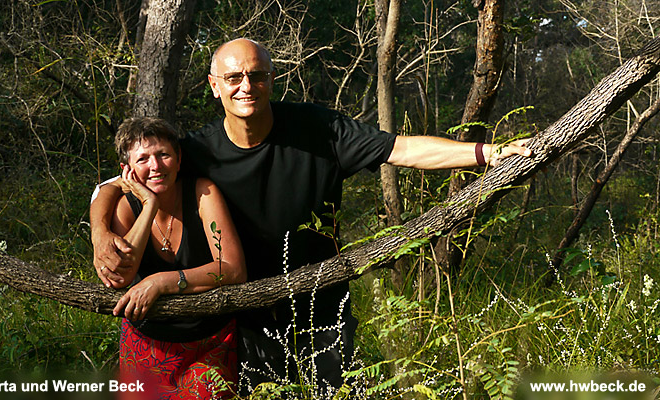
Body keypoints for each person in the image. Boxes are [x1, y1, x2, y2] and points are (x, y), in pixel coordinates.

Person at [91, 39, 531, 394]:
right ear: (214, 86)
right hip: (248, 313)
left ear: (272, 79)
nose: (246, 86)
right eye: (233, 78)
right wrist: (99, 234)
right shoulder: (199, 149)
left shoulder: (318, 129)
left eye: (256, 75)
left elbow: (401, 149)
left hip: (323, 304)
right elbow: (115, 184)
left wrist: (488, 153)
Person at [106, 117, 246, 399]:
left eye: (163, 155)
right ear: (127, 171)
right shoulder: (125, 208)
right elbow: (121, 276)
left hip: (209, 342)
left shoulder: (203, 193)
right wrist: (149, 205)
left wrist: (162, 282)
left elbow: (233, 269)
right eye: (143, 159)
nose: (156, 166)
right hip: (145, 342)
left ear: (179, 160)